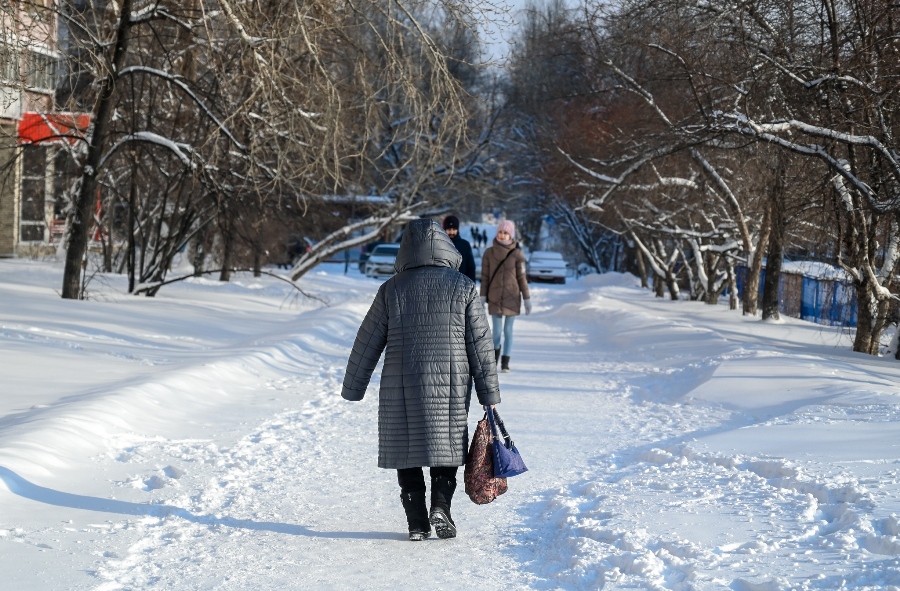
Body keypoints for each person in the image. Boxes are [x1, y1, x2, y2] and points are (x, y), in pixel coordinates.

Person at [341, 218, 501, 542]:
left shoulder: (391, 290)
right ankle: (441, 506)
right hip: (451, 385)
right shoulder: (463, 287)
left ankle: (416, 522)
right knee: (447, 446)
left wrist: (353, 386)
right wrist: (489, 394)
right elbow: (481, 345)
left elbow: (367, 340)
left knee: (407, 447)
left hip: (402, 385)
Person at [480, 220, 531, 373]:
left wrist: (527, 299)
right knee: (496, 331)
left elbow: (522, 277)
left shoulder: (517, 253)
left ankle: (505, 363)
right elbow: (485, 277)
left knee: (508, 330)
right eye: (500, 232)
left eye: (505, 232)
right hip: (495, 297)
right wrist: (482, 296)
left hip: (512, 298)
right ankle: (494, 362)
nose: (502, 235)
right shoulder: (489, 253)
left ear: (511, 234)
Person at [442, 215, 476, 281]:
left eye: (454, 229)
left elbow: (471, 268)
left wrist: (471, 286)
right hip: (443, 285)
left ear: (457, 230)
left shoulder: (465, 245)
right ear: (444, 229)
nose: (451, 232)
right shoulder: (439, 244)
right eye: (449, 229)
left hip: (461, 284)